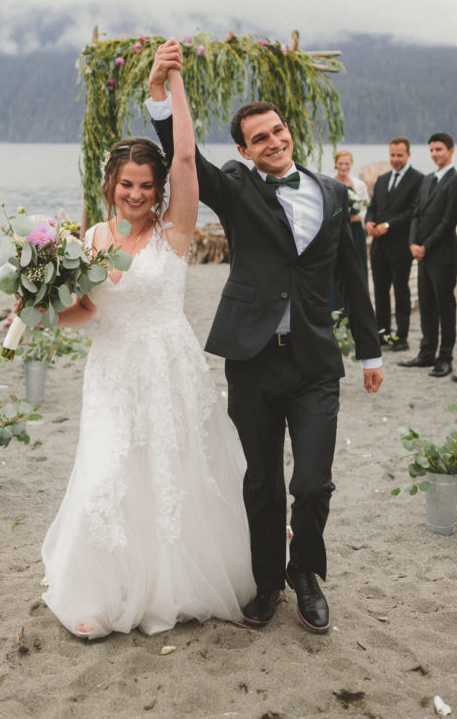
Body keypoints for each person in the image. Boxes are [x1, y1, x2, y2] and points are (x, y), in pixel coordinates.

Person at [148, 40, 384, 635]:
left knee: (311, 481)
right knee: (260, 480)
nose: (273, 142)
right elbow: (186, 163)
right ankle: (267, 582)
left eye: (278, 131)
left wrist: (371, 351)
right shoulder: (236, 186)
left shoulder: (334, 193)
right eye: (260, 138)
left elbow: (353, 279)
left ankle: (305, 571)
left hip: (314, 363)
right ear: (245, 150)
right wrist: (161, 95)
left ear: (288, 131)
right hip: (251, 358)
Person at [40, 44, 254, 639]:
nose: (134, 194)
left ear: (157, 190)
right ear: (110, 183)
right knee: (108, 471)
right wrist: (41, 311)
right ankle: (99, 594)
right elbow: (83, 311)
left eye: (144, 185)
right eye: (126, 184)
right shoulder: (89, 237)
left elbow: (185, 156)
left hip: (168, 367)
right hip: (111, 370)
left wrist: (169, 85)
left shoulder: (175, 230)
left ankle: (174, 587)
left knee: (171, 473)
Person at [398, 133, 457, 378]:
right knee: (426, 304)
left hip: (443, 254)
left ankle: (445, 357)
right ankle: (426, 353)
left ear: (451, 150)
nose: (435, 154)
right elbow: (416, 213)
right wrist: (413, 243)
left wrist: (425, 245)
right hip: (422, 254)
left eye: (439, 149)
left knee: (444, 306)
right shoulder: (427, 180)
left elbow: (449, 221)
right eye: (431, 150)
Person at [365, 138, 423, 351]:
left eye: (400, 155)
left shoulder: (418, 179)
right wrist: (368, 222)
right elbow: (373, 207)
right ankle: (383, 334)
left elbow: (413, 212)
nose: (396, 159)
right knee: (380, 292)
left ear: (408, 155)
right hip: (379, 245)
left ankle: (402, 337)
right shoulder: (382, 179)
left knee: (401, 291)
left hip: (400, 245)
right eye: (392, 155)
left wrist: (388, 225)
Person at [329, 150, 369, 312]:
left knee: (357, 268)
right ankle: (336, 307)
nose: (343, 167)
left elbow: (366, 207)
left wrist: (359, 216)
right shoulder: (329, 183)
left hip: (356, 232)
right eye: (341, 164)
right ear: (335, 164)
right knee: (337, 267)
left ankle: (359, 307)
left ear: (351, 165)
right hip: (337, 232)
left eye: (347, 164)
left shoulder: (359, 185)